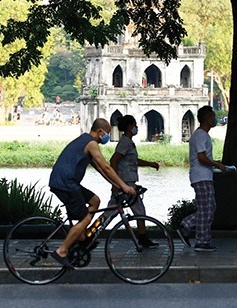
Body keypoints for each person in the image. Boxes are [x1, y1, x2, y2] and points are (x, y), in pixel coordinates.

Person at [49, 118, 136, 268]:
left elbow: (101, 169)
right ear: (99, 131)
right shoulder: (91, 144)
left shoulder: (85, 141)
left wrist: (117, 185)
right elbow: (106, 167)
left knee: (95, 201)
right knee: (85, 218)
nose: (108, 136)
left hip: (68, 182)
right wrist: (125, 186)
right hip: (66, 184)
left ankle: (82, 237)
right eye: (107, 133)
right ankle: (61, 251)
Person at [177, 106, 226, 251]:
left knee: (208, 208)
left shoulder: (202, 135)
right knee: (206, 209)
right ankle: (198, 238)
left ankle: (193, 231)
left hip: (204, 176)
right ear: (208, 119)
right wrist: (216, 164)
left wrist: (214, 163)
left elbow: (204, 157)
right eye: (213, 117)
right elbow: (201, 157)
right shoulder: (200, 136)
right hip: (201, 177)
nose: (215, 119)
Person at [108, 115, 160, 248]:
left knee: (110, 212)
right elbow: (114, 160)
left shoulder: (128, 142)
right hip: (125, 184)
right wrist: (115, 183)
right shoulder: (125, 142)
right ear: (130, 127)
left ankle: (89, 233)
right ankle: (142, 238)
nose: (137, 127)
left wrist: (150, 164)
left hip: (126, 182)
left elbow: (133, 161)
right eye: (135, 125)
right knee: (139, 211)